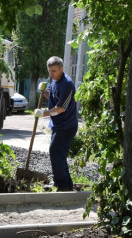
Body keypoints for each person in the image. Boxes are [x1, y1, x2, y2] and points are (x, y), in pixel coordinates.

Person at [34, 56, 78, 191]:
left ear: (61, 69)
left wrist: (43, 113)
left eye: (54, 71)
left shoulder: (67, 84)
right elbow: (54, 96)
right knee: (60, 154)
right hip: (58, 125)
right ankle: (66, 184)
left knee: (55, 151)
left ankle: (62, 185)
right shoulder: (55, 81)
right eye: (49, 71)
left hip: (67, 126)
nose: (51, 74)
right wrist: (45, 92)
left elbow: (61, 108)